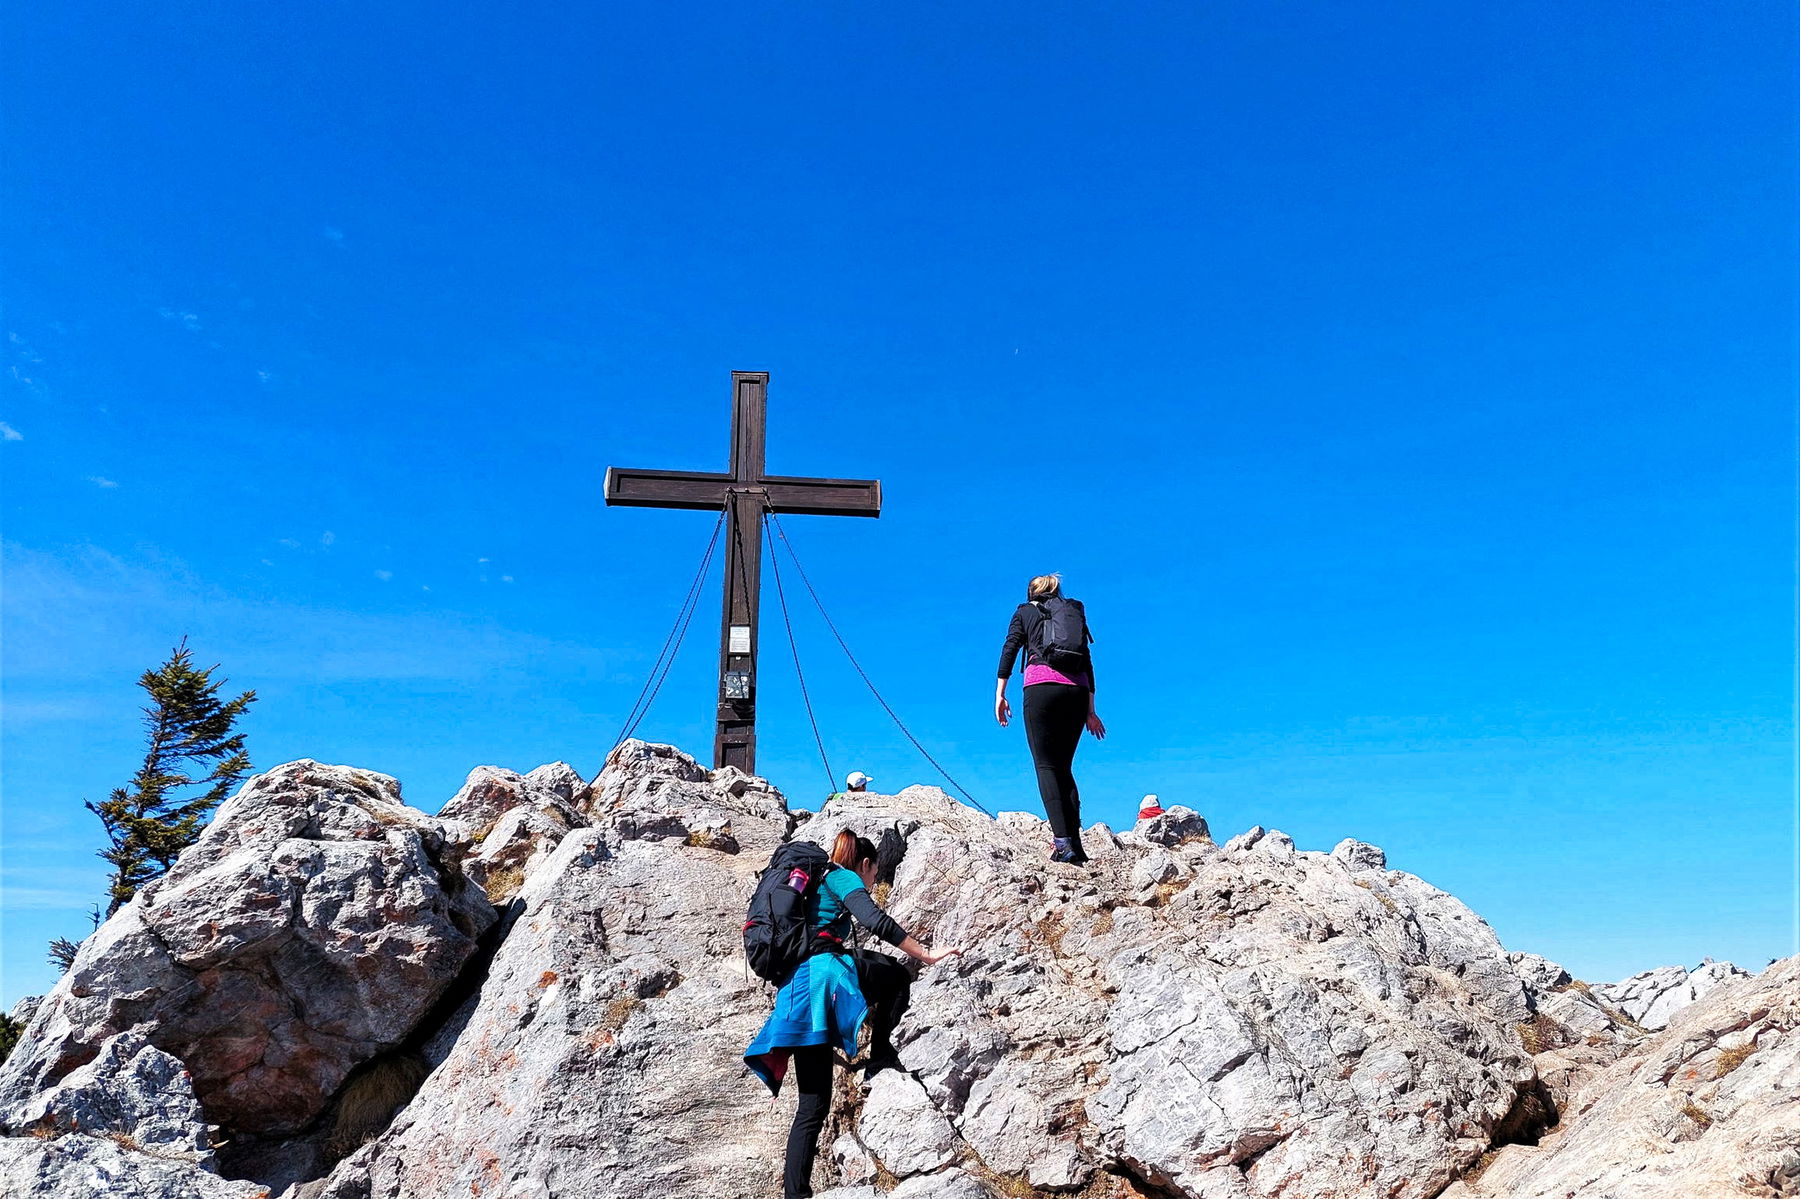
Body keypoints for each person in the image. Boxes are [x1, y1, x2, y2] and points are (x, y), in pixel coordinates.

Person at [744, 831, 960, 1199]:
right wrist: (925, 954)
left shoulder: (811, 886)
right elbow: (876, 921)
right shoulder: (841, 876)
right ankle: (880, 1056)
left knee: (812, 1106)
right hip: (825, 978)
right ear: (865, 864)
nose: (874, 881)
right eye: (874, 874)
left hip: (795, 994)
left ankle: (795, 1194)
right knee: (895, 974)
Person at [995, 573, 1105, 864]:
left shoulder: (1025, 612)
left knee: (1046, 766)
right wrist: (1091, 711)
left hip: (1041, 687)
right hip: (1077, 692)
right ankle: (1076, 845)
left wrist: (1000, 693)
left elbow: (1010, 648)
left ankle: (1062, 843)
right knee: (1064, 768)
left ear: (1031, 592)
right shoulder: (1072, 612)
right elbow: (1087, 661)